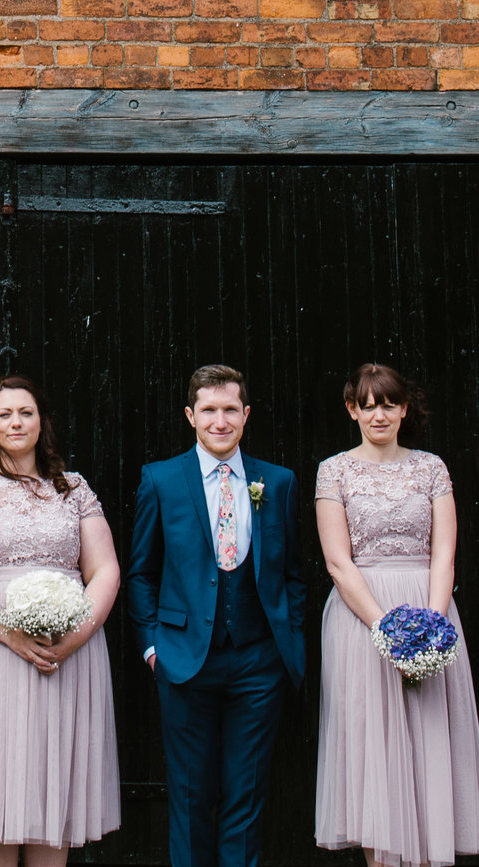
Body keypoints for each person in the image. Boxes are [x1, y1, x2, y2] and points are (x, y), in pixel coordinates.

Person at [312, 364, 479, 867]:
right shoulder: (334, 471)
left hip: (428, 603)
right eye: (368, 404)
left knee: (430, 736)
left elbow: (444, 554)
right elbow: (337, 561)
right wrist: (386, 629)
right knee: (374, 746)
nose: (379, 414)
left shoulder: (432, 468)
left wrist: (434, 627)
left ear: (404, 409)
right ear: (352, 409)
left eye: (389, 403)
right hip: (362, 615)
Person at [0, 375, 122, 867]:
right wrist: (9, 633)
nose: (16, 422)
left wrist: (75, 637)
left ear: (42, 422)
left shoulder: (74, 489)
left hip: (66, 650)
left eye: (26, 413)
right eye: (5, 414)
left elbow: (104, 570)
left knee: (51, 775)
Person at [126, 363, 307, 867]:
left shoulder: (279, 481)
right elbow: (141, 571)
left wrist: (284, 643)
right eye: (209, 410)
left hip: (258, 662)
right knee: (189, 796)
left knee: (245, 799)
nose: (220, 420)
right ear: (191, 415)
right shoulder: (161, 480)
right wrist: (152, 646)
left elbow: (292, 572)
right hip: (184, 660)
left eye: (230, 409)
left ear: (245, 414)